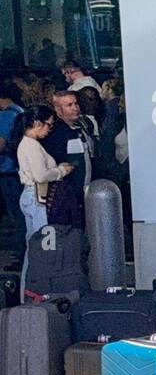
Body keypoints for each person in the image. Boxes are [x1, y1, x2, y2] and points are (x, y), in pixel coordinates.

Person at [15, 107, 73, 293]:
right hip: (38, 196)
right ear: (37, 123)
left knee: (33, 246)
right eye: (49, 124)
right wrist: (61, 171)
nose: (50, 129)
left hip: (31, 196)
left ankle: (30, 290)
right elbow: (41, 175)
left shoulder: (27, 144)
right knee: (42, 246)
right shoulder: (31, 146)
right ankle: (41, 289)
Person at [43, 90, 98, 227]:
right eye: (69, 105)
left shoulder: (84, 126)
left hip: (87, 190)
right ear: (58, 110)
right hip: (69, 194)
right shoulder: (55, 134)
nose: (75, 108)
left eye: (76, 103)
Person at [0, 81, 25, 247]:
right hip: (19, 168)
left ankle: (21, 251)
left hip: (7, 169)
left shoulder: (4, 116)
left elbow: (1, 143)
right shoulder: (20, 111)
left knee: (16, 214)